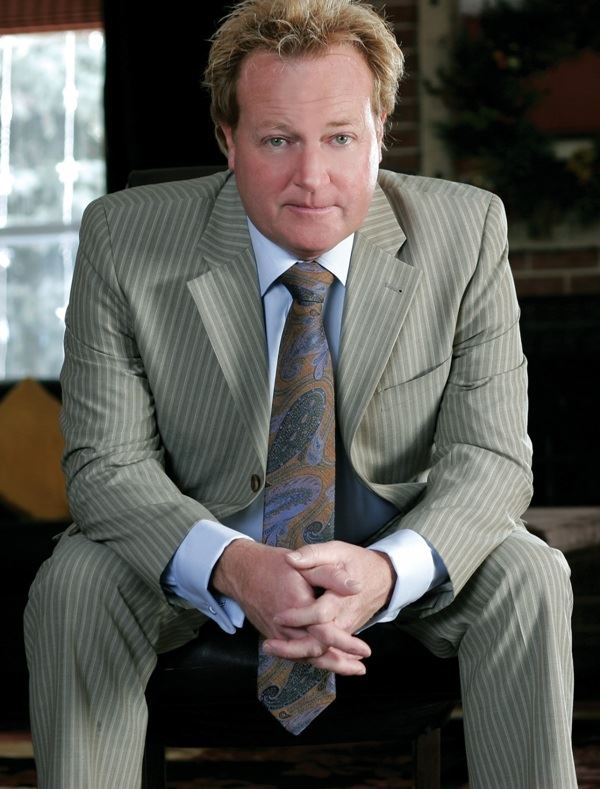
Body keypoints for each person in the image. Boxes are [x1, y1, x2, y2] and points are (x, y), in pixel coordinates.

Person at [25, 0, 576, 786]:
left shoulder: (466, 231)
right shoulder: (122, 238)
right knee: (75, 580)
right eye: (278, 139)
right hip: (204, 550)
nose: (312, 178)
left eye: (340, 138)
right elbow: (105, 467)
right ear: (228, 139)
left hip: (395, 546)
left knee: (529, 572)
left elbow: (491, 459)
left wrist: (385, 572)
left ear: (380, 129)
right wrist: (235, 564)